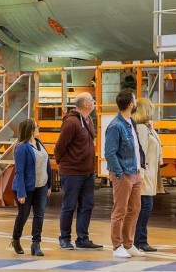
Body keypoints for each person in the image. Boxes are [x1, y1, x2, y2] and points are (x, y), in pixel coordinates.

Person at [54, 93, 103, 250]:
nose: (94, 101)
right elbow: (59, 148)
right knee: (69, 205)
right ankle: (64, 238)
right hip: (72, 173)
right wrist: (65, 164)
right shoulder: (71, 122)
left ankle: (82, 238)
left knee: (87, 205)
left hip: (87, 172)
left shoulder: (88, 120)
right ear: (86, 105)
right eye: (92, 99)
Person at [104, 89, 146, 258]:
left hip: (135, 173)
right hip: (124, 174)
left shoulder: (131, 123)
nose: (136, 103)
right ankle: (117, 246)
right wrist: (120, 174)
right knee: (119, 210)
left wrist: (139, 169)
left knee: (135, 209)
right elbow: (110, 153)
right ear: (131, 104)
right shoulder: (116, 126)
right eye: (135, 100)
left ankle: (128, 244)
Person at [10, 119, 52, 257]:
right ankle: (16, 239)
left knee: (39, 215)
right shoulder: (21, 147)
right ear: (30, 130)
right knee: (23, 215)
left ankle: (36, 244)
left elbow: (47, 166)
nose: (38, 128)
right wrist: (21, 192)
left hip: (42, 185)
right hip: (26, 188)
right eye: (36, 127)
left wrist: (49, 185)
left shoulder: (40, 143)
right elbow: (19, 171)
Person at [133, 97, 163, 253]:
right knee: (145, 206)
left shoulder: (148, 126)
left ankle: (141, 240)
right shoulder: (142, 128)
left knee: (146, 206)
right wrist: (141, 173)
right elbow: (141, 152)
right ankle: (139, 240)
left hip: (151, 172)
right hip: (145, 173)